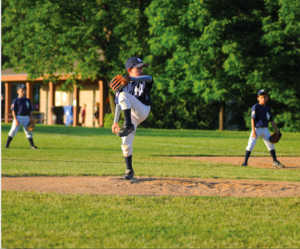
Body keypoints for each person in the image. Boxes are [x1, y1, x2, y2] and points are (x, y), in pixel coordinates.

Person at [112, 57, 154, 179]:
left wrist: (132, 79)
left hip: (143, 109)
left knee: (124, 95)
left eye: (142, 67)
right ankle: (129, 170)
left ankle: (128, 126)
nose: (141, 70)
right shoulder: (122, 86)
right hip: (131, 116)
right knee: (125, 143)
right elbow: (119, 103)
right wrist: (115, 122)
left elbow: (149, 78)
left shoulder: (143, 79)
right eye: (138, 68)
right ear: (130, 69)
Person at [241, 89, 284, 168]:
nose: (263, 99)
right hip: (257, 129)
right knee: (251, 144)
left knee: (271, 144)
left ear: (267, 98)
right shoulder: (255, 107)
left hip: (265, 129)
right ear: (258, 98)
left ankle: (275, 161)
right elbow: (252, 119)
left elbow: (272, 120)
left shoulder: (268, 108)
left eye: (265, 97)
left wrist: (277, 131)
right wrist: (253, 131)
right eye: (261, 97)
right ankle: (245, 162)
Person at [4, 84, 37, 149]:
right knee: (13, 130)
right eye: (22, 91)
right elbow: (13, 111)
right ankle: (7, 145)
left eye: (24, 90)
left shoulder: (27, 100)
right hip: (18, 117)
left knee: (29, 131)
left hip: (26, 117)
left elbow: (30, 110)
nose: (23, 92)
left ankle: (32, 145)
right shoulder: (15, 100)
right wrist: (15, 120)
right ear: (18, 91)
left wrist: (31, 118)